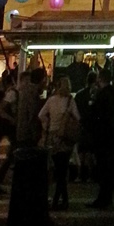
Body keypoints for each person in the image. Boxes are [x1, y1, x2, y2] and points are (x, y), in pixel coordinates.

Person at [39, 77, 80, 210]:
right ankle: (61, 200)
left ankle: (59, 200)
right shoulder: (70, 101)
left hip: (53, 137)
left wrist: (47, 126)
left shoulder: (51, 100)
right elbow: (78, 118)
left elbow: (41, 115)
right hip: (65, 138)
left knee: (58, 168)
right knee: (63, 170)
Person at [87, 66, 114, 209]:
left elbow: (97, 115)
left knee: (102, 167)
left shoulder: (101, 95)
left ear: (100, 79)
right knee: (109, 168)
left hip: (103, 136)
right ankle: (107, 198)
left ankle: (102, 199)